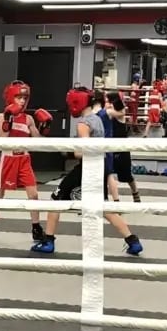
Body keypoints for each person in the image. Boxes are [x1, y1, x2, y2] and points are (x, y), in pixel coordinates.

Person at [31, 86, 142, 256]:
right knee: (103, 207)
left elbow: (83, 151)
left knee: (55, 200)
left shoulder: (84, 123)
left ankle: (48, 241)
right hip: (100, 165)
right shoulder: (98, 118)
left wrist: (67, 151)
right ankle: (133, 241)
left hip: (87, 167)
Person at [0, 80, 48, 245]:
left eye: (24, 98)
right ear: (11, 98)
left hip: (24, 158)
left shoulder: (28, 119)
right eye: (19, 97)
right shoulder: (2, 116)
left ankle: (36, 228)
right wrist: (8, 119)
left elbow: (38, 141)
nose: (22, 101)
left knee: (33, 194)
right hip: (8, 158)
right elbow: (3, 138)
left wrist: (44, 127)